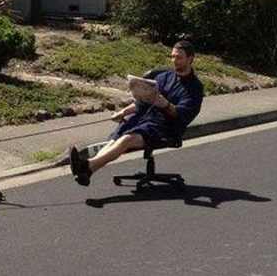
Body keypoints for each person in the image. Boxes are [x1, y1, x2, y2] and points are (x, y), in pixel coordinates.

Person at [70, 40, 204, 186]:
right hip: (145, 119)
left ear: (190, 59)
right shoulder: (163, 77)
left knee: (127, 139)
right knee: (116, 138)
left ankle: (86, 166)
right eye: (172, 57)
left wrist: (165, 104)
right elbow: (141, 102)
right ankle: (88, 170)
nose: (174, 61)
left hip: (165, 127)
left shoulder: (194, 88)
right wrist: (122, 112)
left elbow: (183, 115)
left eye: (179, 57)